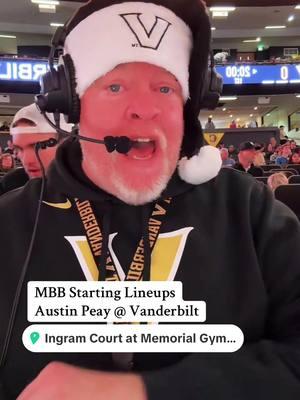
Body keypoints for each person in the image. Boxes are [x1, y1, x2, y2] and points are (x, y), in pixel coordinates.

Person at [0, 1, 300, 399]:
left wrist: (149, 390)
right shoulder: (9, 223)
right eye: (115, 87)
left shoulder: (251, 211)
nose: (143, 110)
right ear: (73, 107)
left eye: (164, 88)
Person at [0, 104, 72, 195]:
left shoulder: (90, 188)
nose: (27, 161)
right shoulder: (10, 184)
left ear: (68, 143)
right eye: (19, 149)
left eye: (38, 146)